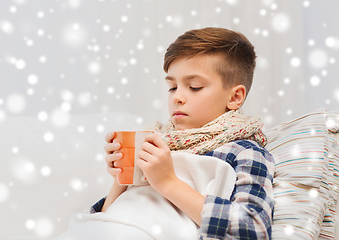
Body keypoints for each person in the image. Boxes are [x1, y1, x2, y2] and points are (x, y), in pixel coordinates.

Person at [92, 27, 275, 239]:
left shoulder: (243, 152)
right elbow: (108, 219)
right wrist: (122, 178)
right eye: (172, 87)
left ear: (234, 97)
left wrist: (168, 183)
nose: (177, 97)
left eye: (194, 87)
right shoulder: (158, 142)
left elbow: (253, 228)